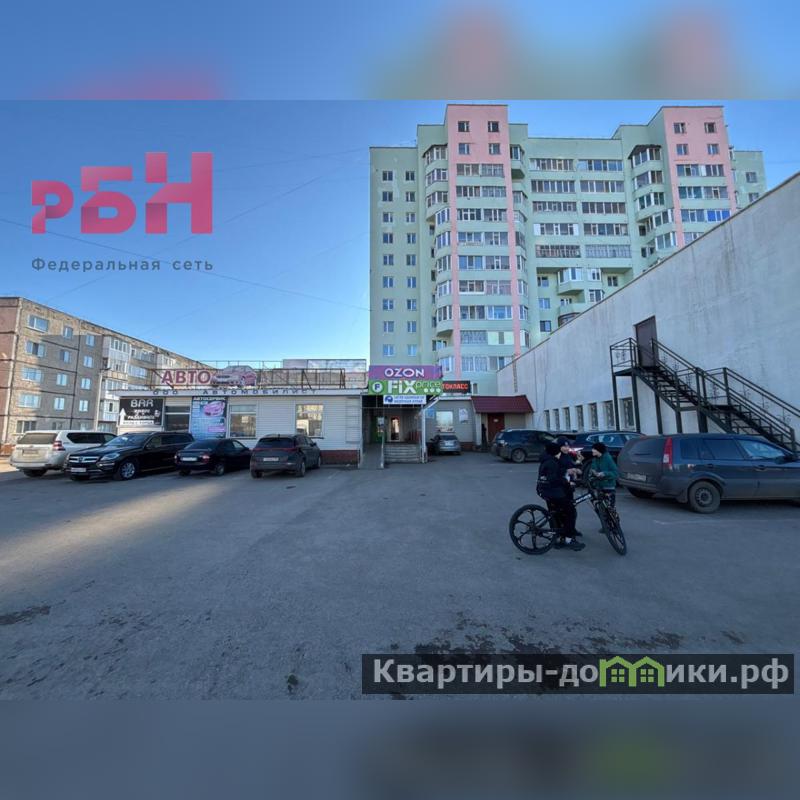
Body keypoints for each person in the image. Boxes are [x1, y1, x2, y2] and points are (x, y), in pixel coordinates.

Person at [537, 442, 585, 551]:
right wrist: (567, 483)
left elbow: (557, 473)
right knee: (570, 511)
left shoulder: (548, 460)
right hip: (551, 492)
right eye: (559, 452)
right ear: (555, 452)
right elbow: (553, 479)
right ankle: (568, 539)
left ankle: (560, 536)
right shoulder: (552, 463)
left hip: (545, 490)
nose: (560, 454)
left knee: (559, 512)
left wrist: (569, 472)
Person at [588, 441, 618, 507]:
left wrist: (604, 473)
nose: (592, 450)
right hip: (599, 486)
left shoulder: (608, 459)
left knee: (610, 508)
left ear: (599, 450)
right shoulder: (595, 459)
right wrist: (593, 472)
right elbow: (593, 468)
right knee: (601, 508)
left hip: (608, 486)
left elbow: (615, 473)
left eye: (594, 449)